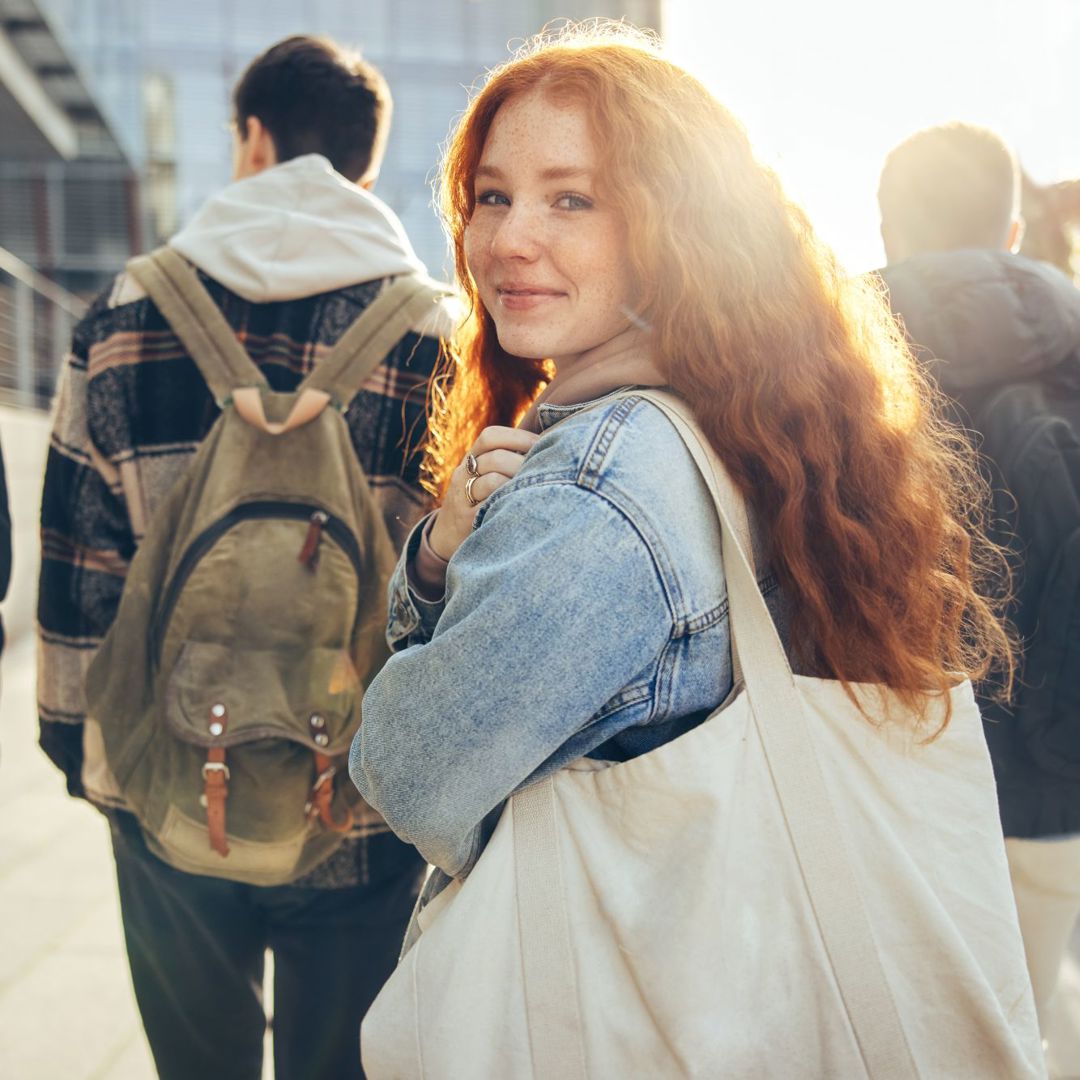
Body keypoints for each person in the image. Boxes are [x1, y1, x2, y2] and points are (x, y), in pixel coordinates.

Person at [348, 23, 1037, 1072]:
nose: (507, 240)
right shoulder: (746, 416)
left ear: (676, 225)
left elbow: (409, 772)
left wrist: (430, 569)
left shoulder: (601, 482)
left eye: (570, 199)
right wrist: (454, 555)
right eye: (491, 195)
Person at [37, 35, 452, 1080]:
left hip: (168, 775)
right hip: (354, 790)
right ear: (364, 160)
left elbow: (76, 559)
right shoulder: (433, 331)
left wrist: (79, 749)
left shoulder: (128, 311)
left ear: (253, 139)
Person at [877, 122, 1080, 1044]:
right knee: (1035, 1015)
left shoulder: (829, 365)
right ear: (1009, 233)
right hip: (1058, 775)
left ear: (887, 230)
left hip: (886, 771)